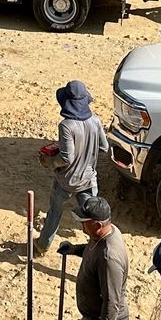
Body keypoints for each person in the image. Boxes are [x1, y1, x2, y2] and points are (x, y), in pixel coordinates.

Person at [34, 80, 106, 256]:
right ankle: (99, 250)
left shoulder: (66, 125)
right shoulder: (96, 121)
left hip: (66, 181)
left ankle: (42, 245)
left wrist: (47, 160)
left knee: (55, 213)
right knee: (94, 219)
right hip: (88, 180)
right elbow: (104, 147)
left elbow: (67, 157)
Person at [58, 197, 129, 320]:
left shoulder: (109, 258)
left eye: (85, 223)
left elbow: (112, 302)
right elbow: (93, 251)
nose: (82, 227)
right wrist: (75, 249)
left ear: (98, 225)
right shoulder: (104, 233)